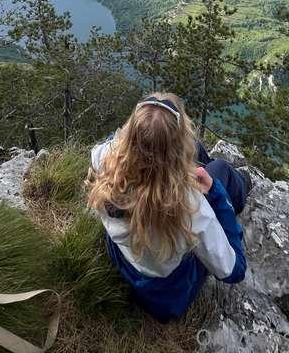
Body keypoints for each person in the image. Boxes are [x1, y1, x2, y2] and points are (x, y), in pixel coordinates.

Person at [86, 92, 251, 322]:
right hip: (165, 296)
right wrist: (215, 193)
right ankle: (244, 182)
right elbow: (234, 270)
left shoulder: (106, 162)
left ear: (129, 135)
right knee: (221, 170)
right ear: (176, 150)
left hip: (124, 260)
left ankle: (205, 162)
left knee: (198, 151)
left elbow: (103, 149)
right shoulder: (189, 206)